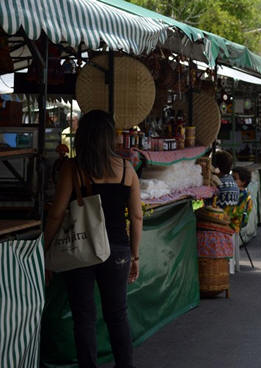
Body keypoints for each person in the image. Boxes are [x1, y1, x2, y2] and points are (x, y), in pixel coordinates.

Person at [44, 110, 141, 368]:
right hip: (118, 249)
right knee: (117, 315)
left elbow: (55, 214)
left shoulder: (73, 168)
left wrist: (45, 249)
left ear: (83, 135)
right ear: (109, 136)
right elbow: (137, 216)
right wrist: (135, 255)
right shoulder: (126, 169)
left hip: (81, 247)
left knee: (84, 317)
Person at [230, 167, 253, 234]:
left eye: (234, 179)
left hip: (233, 226)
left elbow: (233, 214)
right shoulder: (245, 195)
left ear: (243, 182)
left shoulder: (242, 196)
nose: (231, 180)